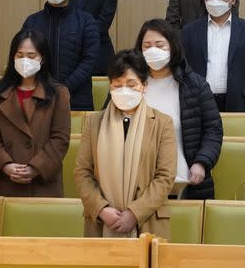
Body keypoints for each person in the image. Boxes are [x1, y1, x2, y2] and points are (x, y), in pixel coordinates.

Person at [75, 50, 176, 239]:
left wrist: (134, 213)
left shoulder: (162, 123)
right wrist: (102, 209)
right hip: (101, 224)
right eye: (118, 85)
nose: (124, 91)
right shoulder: (93, 123)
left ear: (144, 86)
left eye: (131, 85)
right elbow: (82, 173)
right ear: (110, 86)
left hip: (147, 224)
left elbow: (165, 176)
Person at [137, 19, 223, 199]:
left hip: (183, 180)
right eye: (147, 46)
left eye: (159, 45)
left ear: (173, 47)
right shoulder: (129, 83)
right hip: (136, 182)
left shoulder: (195, 85)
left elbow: (213, 130)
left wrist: (201, 162)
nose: (153, 50)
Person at [0, 30, 70, 197]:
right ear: (13, 57)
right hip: (3, 181)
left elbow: (60, 139)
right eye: (20, 55)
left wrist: (35, 168)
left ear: (42, 59)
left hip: (41, 182)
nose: (24, 61)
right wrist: (6, 165)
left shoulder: (59, 94)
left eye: (31, 56)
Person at [22, 0, 100, 111]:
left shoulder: (86, 21)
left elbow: (89, 60)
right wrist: (42, 87)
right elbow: (23, 56)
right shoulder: (32, 21)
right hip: (37, 96)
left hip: (77, 99)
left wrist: (64, 88)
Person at [182, 0, 245, 113]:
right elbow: (183, 70)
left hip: (237, 103)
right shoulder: (190, 30)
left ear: (232, 0)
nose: (215, 0)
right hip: (199, 103)